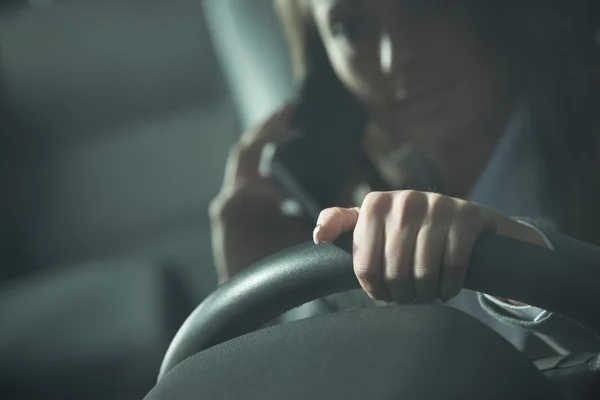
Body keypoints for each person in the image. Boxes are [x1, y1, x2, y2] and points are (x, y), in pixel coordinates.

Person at [210, 0, 600, 355]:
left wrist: (522, 259)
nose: (396, 57)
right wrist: (249, 300)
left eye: (426, 5)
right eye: (352, 28)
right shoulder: (349, 241)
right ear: (323, 66)